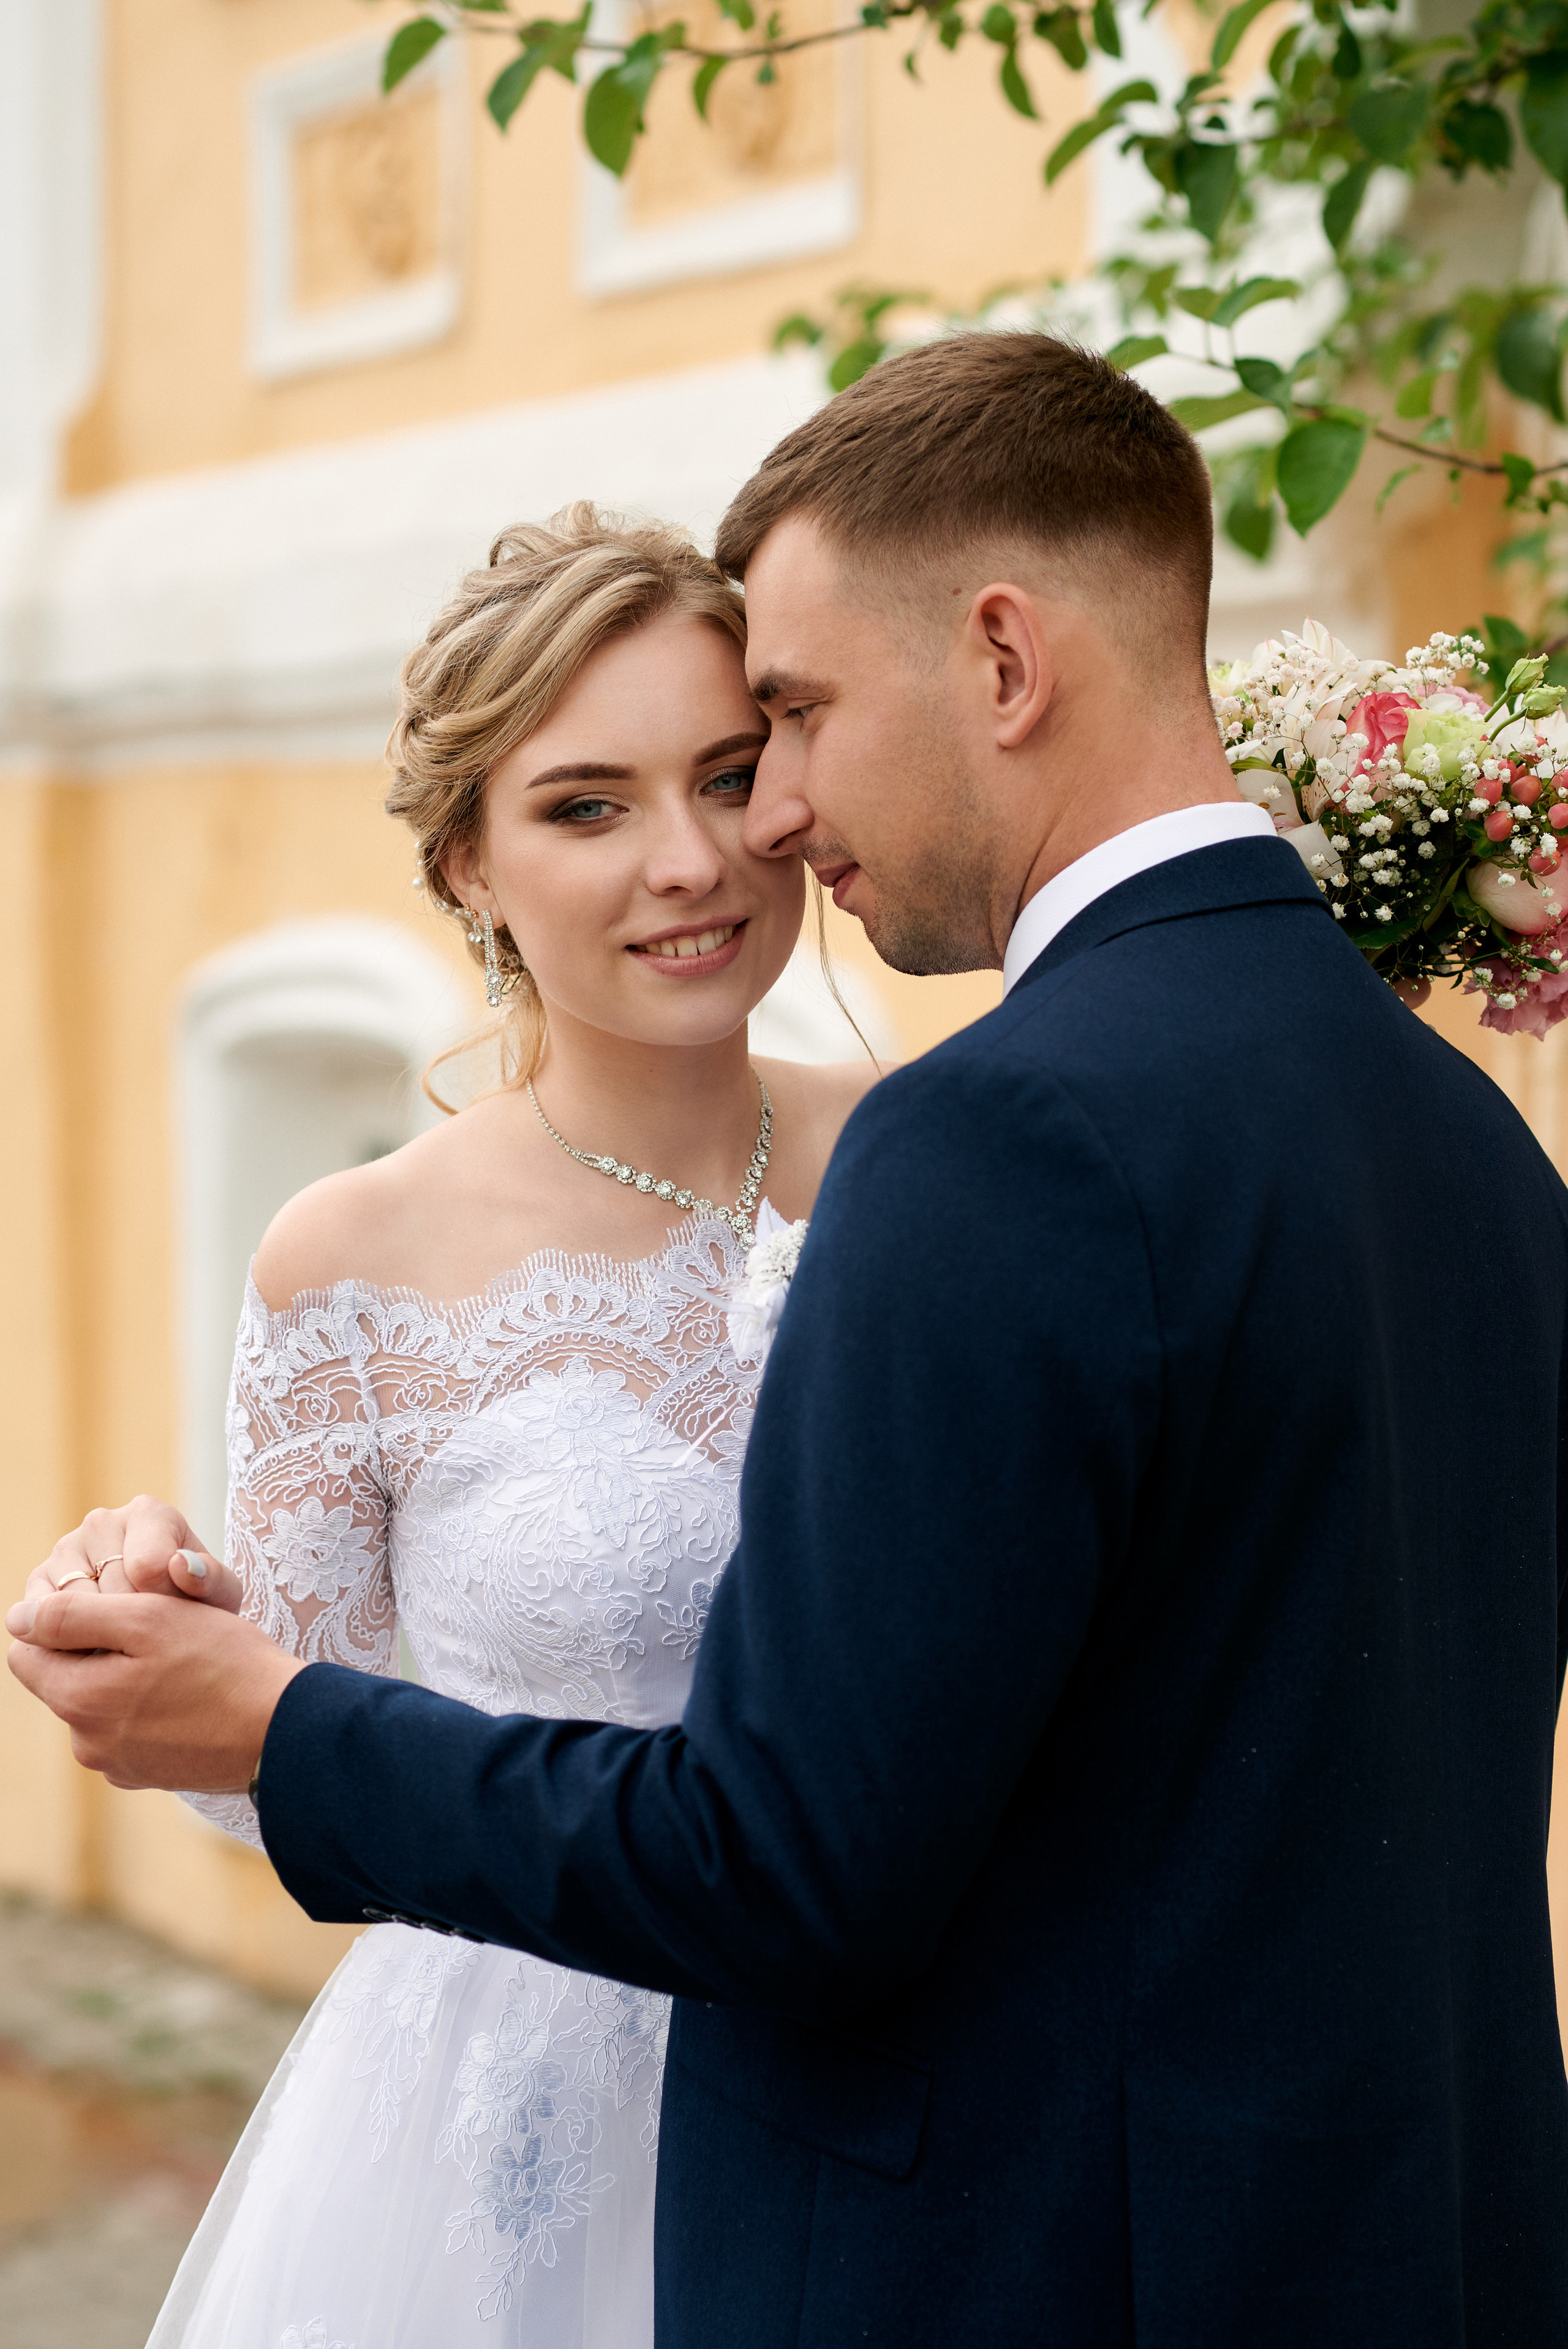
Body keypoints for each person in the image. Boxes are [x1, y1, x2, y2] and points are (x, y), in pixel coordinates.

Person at [12, 334, 1568, 2348]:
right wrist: (186, 1638)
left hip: (990, 2221)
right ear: (470, 862)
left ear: (1002, 663)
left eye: (769, 740)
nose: (749, 830)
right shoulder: (1474, 1138)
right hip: (1362, 2227)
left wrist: (275, 1720)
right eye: (590, 801)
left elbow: (798, 1862)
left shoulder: (977, 1147)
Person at [63, 504, 881, 2347]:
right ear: (469, 862)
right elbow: (262, 1757)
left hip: (894, 2058)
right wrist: (167, 1600)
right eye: (588, 805)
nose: (691, 859)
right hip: (517, 2108)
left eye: (732, 774)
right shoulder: (349, 1258)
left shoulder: (926, 1157)